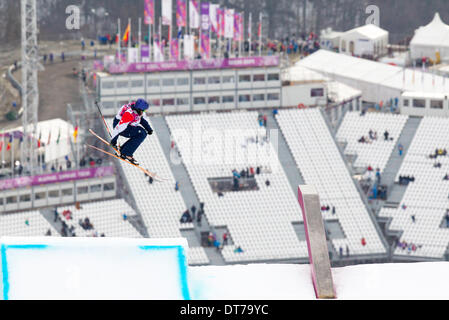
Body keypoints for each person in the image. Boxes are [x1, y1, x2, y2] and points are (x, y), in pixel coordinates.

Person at [110, 99, 153, 165]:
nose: (144, 112)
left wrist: (149, 129)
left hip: (127, 125)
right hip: (121, 126)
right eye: (143, 110)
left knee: (142, 132)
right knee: (141, 134)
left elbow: (140, 119)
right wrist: (113, 142)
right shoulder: (129, 114)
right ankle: (126, 153)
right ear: (139, 109)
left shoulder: (136, 109)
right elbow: (118, 128)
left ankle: (124, 150)